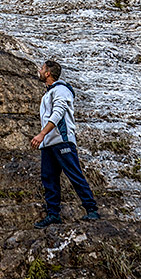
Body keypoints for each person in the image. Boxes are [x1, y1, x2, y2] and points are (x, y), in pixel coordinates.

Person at [31, 59, 100, 228]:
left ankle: (92, 209)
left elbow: (58, 113)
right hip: (49, 144)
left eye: (42, 69)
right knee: (49, 178)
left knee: (74, 174)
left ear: (48, 73)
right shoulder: (49, 92)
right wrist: (45, 139)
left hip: (62, 141)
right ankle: (53, 214)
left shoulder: (61, 90)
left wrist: (41, 134)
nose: (39, 71)